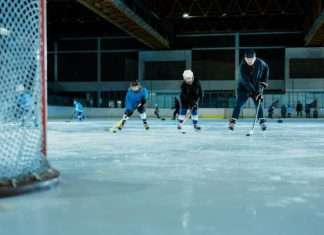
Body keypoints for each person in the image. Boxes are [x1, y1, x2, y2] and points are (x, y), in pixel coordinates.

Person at [229, 49, 269, 131]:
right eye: (247, 59)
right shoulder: (242, 66)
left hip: (256, 85)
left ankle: (262, 121)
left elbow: (266, 68)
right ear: (245, 58)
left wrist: (264, 81)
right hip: (243, 88)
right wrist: (257, 94)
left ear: (255, 58)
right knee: (239, 103)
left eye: (251, 59)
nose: (249, 61)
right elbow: (246, 82)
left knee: (258, 104)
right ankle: (233, 121)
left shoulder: (260, 63)